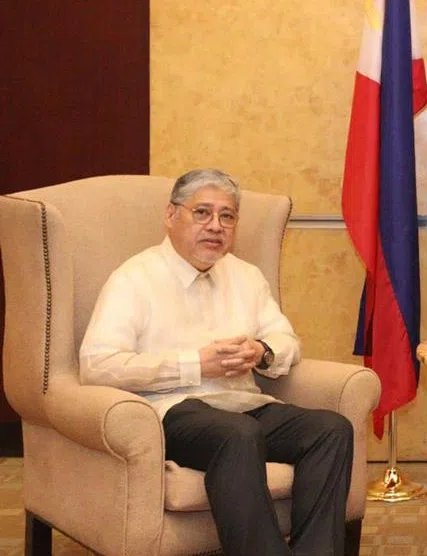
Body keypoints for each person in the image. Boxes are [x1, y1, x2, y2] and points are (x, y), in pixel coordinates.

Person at [79, 168, 353, 556]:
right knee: (238, 435)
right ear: (171, 216)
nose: (215, 226)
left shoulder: (246, 276)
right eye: (202, 213)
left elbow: (286, 340)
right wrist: (196, 365)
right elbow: (98, 364)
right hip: (171, 411)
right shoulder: (134, 279)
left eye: (227, 216)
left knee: (330, 429)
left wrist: (261, 351)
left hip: (244, 405)